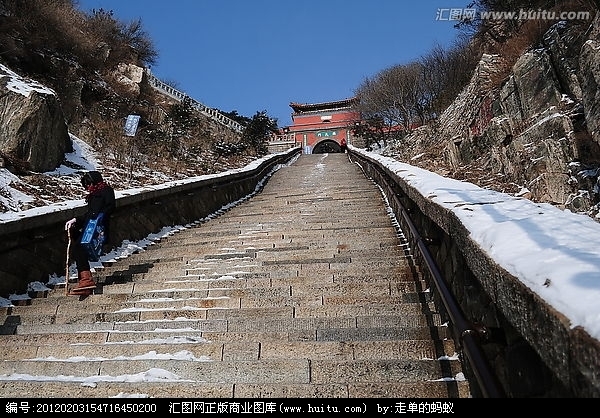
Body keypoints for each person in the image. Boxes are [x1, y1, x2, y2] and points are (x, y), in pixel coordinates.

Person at [64, 171, 115, 296]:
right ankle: (84, 281)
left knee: (78, 248)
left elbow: (110, 207)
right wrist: (76, 220)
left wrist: (99, 217)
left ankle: (86, 280)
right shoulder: (93, 196)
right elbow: (89, 214)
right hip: (89, 228)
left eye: (88, 184)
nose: (87, 188)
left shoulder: (106, 190)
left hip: (98, 229)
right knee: (77, 249)